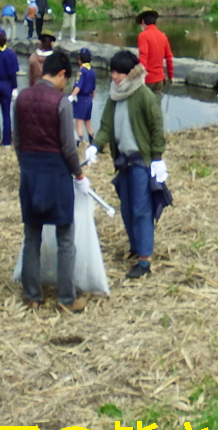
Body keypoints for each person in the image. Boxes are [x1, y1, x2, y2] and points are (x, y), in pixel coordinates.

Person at [13, 49, 92, 313]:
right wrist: (79, 176)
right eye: (65, 80)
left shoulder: (21, 98)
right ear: (60, 74)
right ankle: (66, 299)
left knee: (32, 236)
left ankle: (32, 295)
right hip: (56, 173)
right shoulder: (61, 103)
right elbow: (68, 148)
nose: (64, 85)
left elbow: (17, 139)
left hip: (30, 172)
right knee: (65, 238)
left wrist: (25, 164)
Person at [86, 50, 166, 279]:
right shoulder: (114, 96)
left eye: (120, 73)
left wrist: (158, 158)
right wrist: (95, 146)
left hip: (140, 160)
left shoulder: (143, 95)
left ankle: (144, 260)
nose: (115, 77)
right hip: (122, 161)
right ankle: (135, 246)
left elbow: (156, 127)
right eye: (112, 72)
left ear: (131, 72)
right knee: (127, 207)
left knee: (141, 209)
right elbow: (105, 126)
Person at [137, 7, 174, 97]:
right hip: (160, 79)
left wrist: (139, 76)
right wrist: (170, 76)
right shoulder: (163, 36)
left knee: (144, 109)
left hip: (148, 79)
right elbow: (169, 58)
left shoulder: (143, 36)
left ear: (142, 22)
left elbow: (143, 57)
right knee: (155, 107)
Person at [69, 48, 97, 145]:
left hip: (82, 98)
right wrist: (91, 99)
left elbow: (78, 86)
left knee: (79, 121)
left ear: (79, 58)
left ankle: (78, 142)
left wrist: (71, 96)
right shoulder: (92, 71)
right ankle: (92, 141)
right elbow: (94, 89)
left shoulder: (81, 71)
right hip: (89, 99)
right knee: (88, 122)